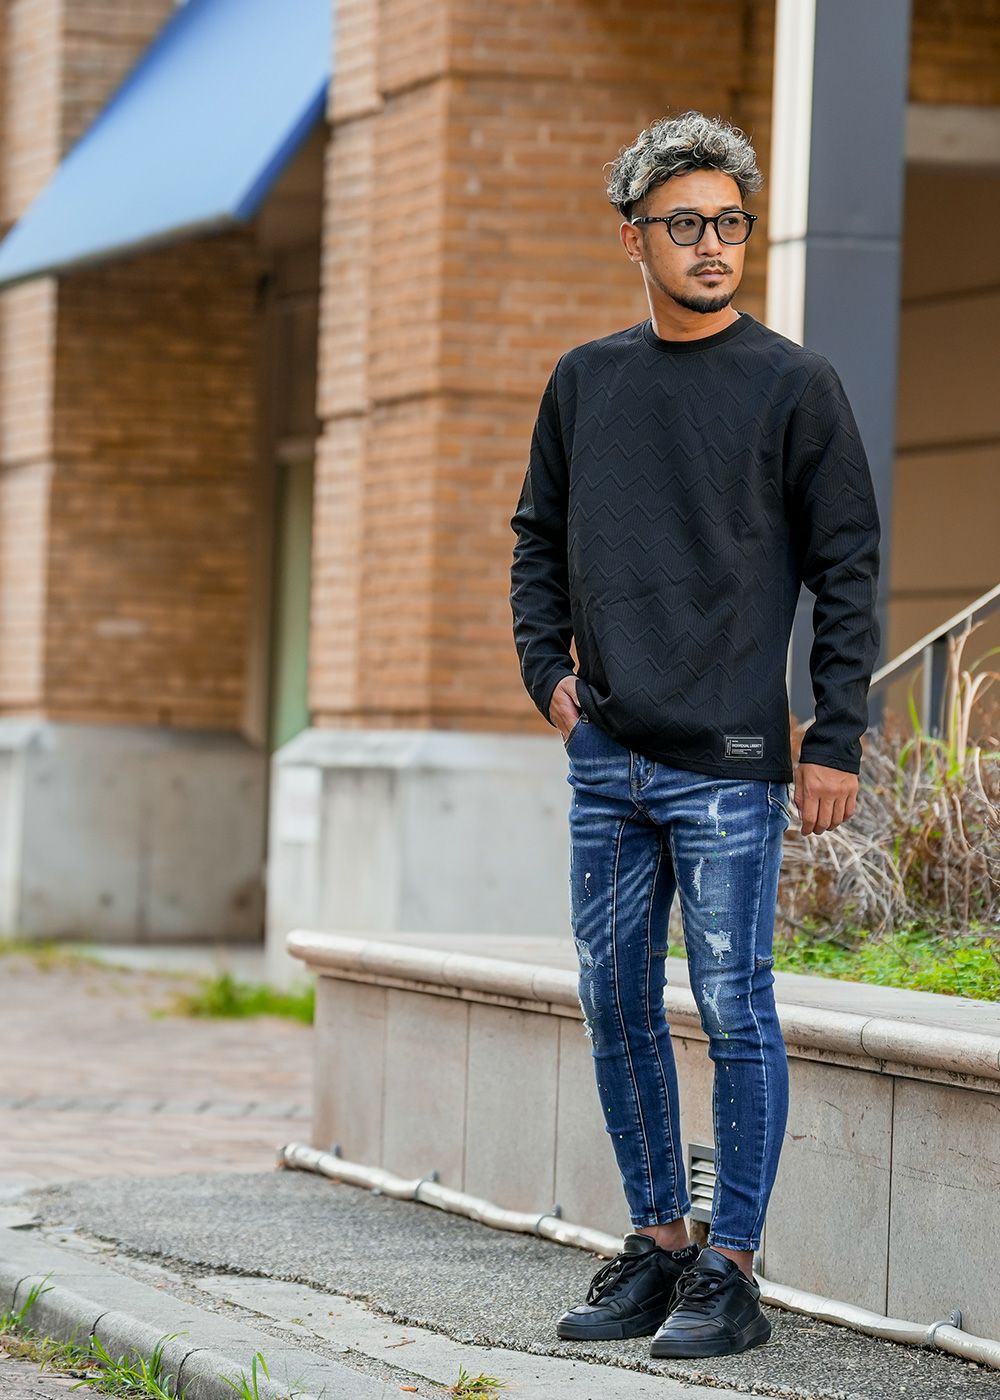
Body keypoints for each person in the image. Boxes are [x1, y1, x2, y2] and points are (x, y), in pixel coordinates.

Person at [508, 110, 881, 1360]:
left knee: (733, 1008)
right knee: (614, 1002)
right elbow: (534, 539)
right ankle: (661, 1244)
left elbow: (846, 565)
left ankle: (732, 1268)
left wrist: (835, 736)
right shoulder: (585, 381)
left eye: (730, 221)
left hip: (726, 762)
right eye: (685, 224)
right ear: (635, 239)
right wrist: (547, 675)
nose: (713, 243)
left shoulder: (793, 385)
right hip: (607, 758)